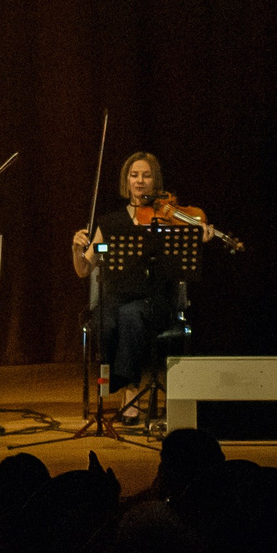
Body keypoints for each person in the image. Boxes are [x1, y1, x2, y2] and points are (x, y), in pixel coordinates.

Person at [71, 151, 180, 420]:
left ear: (155, 181)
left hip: (153, 300)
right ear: (126, 180)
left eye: (146, 175)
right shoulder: (109, 222)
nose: (140, 181)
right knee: (105, 322)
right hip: (116, 299)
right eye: (134, 175)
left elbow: (181, 260)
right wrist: (76, 250)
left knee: (130, 315)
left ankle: (130, 391)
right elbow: (84, 269)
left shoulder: (163, 219)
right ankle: (115, 387)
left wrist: (201, 233)